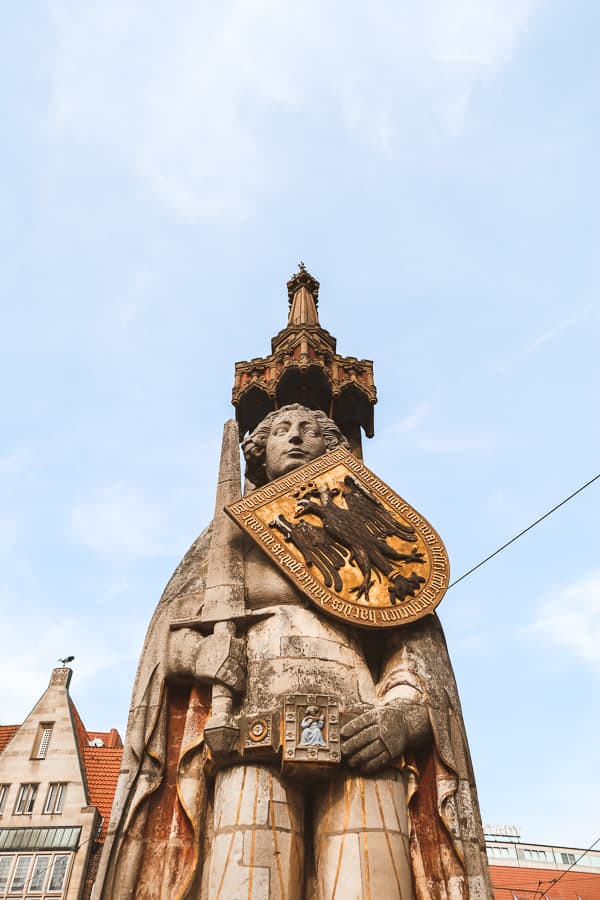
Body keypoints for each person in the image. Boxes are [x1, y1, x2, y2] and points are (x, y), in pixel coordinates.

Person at [96, 404, 492, 900]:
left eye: (309, 429)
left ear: (331, 446)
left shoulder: (368, 525)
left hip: (364, 734)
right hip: (251, 733)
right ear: (259, 452)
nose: (296, 437)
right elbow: (168, 641)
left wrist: (403, 717)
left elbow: (412, 644)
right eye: (282, 430)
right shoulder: (227, 537)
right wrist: (202, 656)